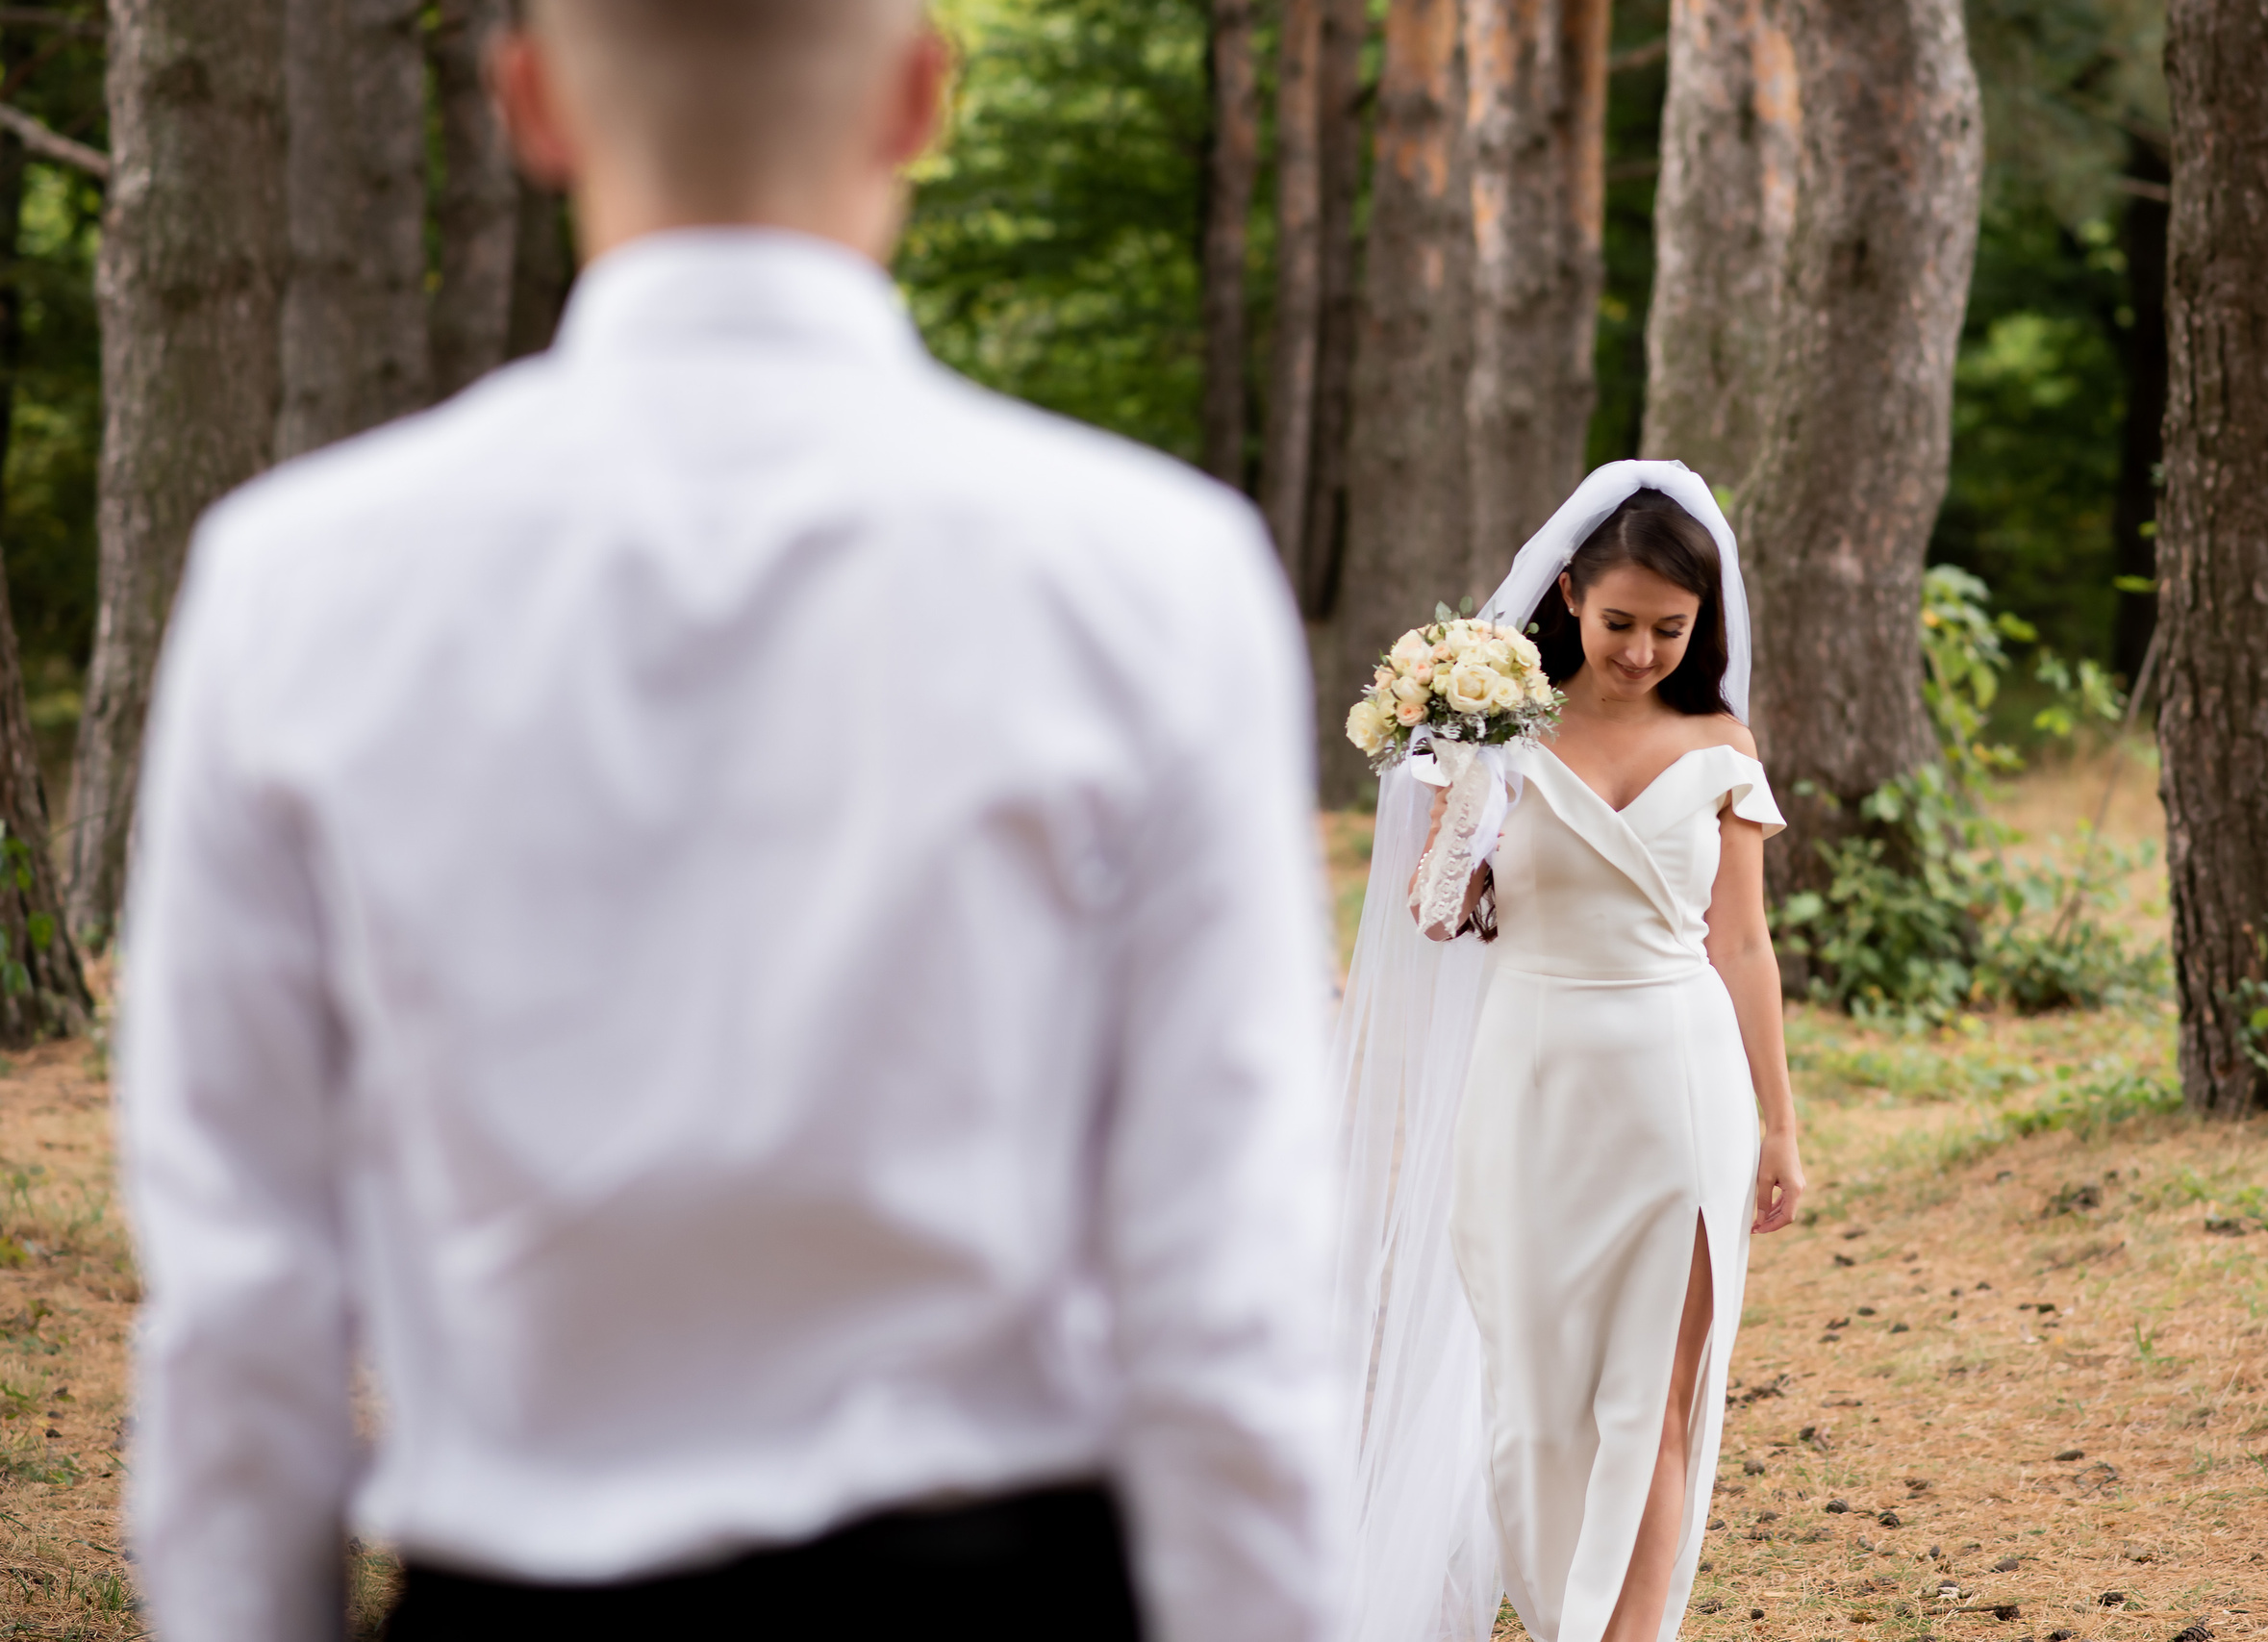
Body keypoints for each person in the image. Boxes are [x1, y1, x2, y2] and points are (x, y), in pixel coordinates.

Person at [115, 5, 1341, 1641]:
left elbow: (240, 1304)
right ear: (918, 95)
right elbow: (1223, 1292)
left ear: (530, 103)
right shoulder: (1156, 580)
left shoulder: (296, 585)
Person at [1329, 463, 1804, 1642]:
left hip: (1679, 1085)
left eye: (1670, 630)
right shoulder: (1502, 736)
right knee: (1534, 1406)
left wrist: (1780, 1126)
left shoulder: (1720, 745)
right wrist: (1467, 786)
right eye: (1620, 623)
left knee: (1655, 1402)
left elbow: (1743, 946)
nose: (1641, 652)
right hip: (1531, 1080)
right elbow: (1434, 918)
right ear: (1570, 599)